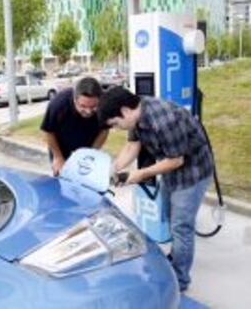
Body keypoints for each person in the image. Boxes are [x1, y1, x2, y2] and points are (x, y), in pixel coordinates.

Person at [98, 86, 213, 292]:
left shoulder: (165, 119)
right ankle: (178, 257)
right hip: (171, 170)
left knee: (181, 227)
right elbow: (132, 146)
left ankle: (180, 279)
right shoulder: (136, 114)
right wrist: (114, 169)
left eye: (115, 123)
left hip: (192, 173)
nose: (116, 128)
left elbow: (176, 160)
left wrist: (140, 174)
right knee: (171, 218)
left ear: (124, 111)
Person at [40, 77, 109, 176]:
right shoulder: (58, 103)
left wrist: (91, 153)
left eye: (93, 107)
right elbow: (48, 131)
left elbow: (104, 130)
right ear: (74, 100)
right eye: (83, 106)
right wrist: (58, 157)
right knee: (61, 175)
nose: (88, 111)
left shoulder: (105, 104)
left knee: (86, 176)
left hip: (88, 142)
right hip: (61, 144)